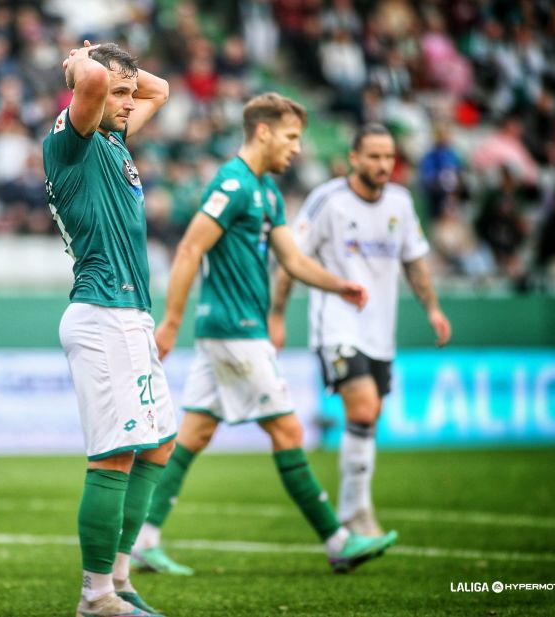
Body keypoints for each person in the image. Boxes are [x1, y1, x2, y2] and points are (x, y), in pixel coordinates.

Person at [131, 93, 398, 577]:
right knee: (289, 431)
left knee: (194, 433)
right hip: (236, 329)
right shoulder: (232, 184)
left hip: (234, 330)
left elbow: (293, 261)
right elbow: (189, 248)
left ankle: (143, 540)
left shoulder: (268, 193)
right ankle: (339, 539)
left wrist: (341, 285)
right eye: (291, 137)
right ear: (263, 132)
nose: (297, 148)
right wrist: (170, 320)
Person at [269, 123, 452, 536]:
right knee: (364, 407)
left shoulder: (402, 203)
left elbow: (415, 261)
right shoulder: (327, 200)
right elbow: (291, 260)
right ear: (354, 157)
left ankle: (353, 509)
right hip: (336, 325)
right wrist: (277, 315)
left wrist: (434, 309)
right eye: (374, 156)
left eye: (389, 157)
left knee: (370, 417)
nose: (383, 164)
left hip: (379, 330)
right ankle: (359, 513)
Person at [42, 41, 172, 617]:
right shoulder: (70, 142)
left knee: (159, 444)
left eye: (128, 90)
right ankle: (95, 596)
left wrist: (119, 71)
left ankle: (119, 579)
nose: (130, 100)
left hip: (131, 315)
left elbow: (161, 89)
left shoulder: (114, 141)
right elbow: (92, 83)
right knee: (115, 455)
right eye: (119, 93)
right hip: (102, 314)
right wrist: (82, 63)